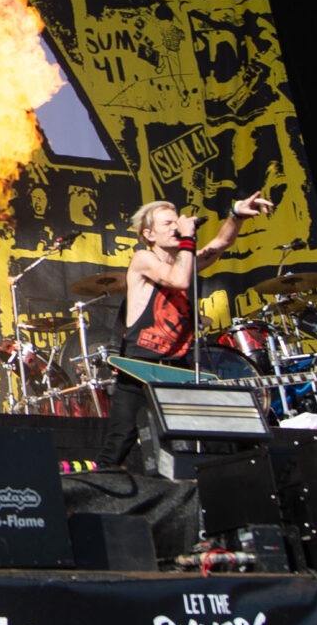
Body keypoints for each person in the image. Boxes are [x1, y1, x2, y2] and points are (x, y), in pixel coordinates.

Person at [97, 192, 275, 468]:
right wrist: (189, 236)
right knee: (120, 441)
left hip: (178, 366)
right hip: (140, 366)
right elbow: (178, 280)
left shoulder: (185, 260)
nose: (175, 227)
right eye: (167, 223)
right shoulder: (143, 259)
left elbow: (220, 244)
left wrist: (235, 214)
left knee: (186, 441)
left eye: (176, 222)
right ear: (149, 234)